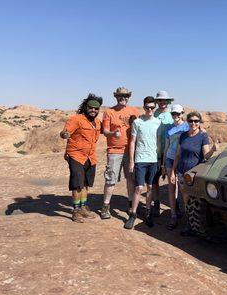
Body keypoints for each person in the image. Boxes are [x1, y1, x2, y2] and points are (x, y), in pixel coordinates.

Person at [172, 111, 218, 235]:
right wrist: (172, 171)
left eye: (196, 121)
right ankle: (190, 224)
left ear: (199, 122)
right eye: (191, 121)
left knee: (196, 200)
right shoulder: (183, 136)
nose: (193, 123)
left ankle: (197, 226)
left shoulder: (203, 136)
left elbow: (206, 155)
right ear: (187, 122)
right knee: (186, 199)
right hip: (182, 172)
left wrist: (213, 150)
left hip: (195, 174)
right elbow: (177, 154)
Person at [60, 93, 103, 223]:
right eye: (91, 107)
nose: (93, 110)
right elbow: (64, 132)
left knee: (85, 184)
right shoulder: (76, 119)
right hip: (76, 155)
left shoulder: (97, 122)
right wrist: (65, 134)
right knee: (77, 185)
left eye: (96, 108)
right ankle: (76, 211)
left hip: (90, 157)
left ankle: (83, 207)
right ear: (85, 106)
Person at [100, 87, 139, 220]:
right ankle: (105, 207)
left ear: (129, 97)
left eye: (126, 95)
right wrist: (113, 133)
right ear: (116, 97)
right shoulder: (109, 112)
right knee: (110, 179)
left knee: (130, 178)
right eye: (120, 95)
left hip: (130, 151)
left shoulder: (134, 111)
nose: (123, 98)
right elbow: (104, 131)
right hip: (114, 150)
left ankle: (130, 205)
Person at [124, 96, 161, 230]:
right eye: (147, 107)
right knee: (139, 188)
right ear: (144, 107)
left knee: (150, 187)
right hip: (140, 159)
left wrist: (159, 159)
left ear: (154, 108)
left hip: (153, 160)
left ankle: (148, 212)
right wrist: (132, 161)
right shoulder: (138, 122)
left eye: (152, 107)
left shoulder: (157, 123)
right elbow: (132, 142)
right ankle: (133, 214)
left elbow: (157, 142)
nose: (150, 109)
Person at [161, 104, 189, 230]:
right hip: (170, 159)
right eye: (173, 114)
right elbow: (166, 147)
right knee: (171, 187)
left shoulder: (187, 126)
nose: (176, 116)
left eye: (178, 114)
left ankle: (188, 216)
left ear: (182, 113)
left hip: (183, 160)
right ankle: (173, 215)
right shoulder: (169, 129)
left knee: (184, 189)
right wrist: (163, 164)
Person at [150, 90, 174, 217]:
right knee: (154, 180)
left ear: (168, 101)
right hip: (156, 152)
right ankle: (156, 205)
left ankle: (175, 206)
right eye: (160, 100)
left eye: (164, 100)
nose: (162, 102)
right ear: (157, 102)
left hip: (170, 152)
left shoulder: (173, 114)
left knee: (172, 180)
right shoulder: (153, 114)